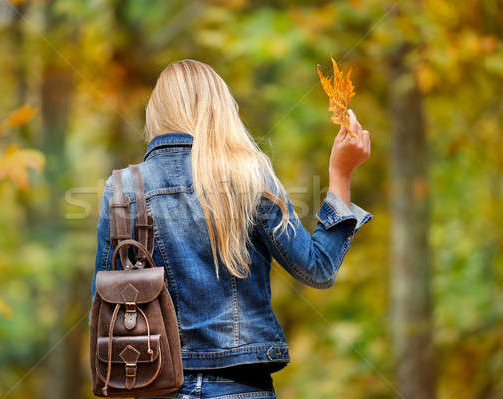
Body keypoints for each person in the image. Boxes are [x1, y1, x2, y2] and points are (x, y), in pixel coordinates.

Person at [93, 59, 372, 399]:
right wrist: (341, 174)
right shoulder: (249, 175)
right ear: (219, 109)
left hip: (156, 384)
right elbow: (317, 269)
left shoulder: (121, 188)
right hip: (241, 386)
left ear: (157, 112)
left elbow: (104, 307)